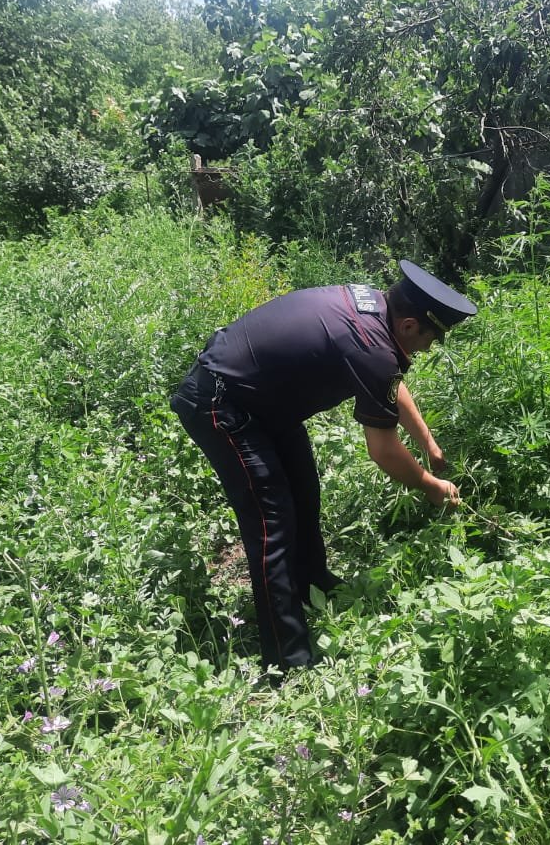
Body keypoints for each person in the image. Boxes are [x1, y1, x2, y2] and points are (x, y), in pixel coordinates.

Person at [171, 260, 477, 672]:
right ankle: (287, 660)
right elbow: (383, 450)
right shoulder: (374, 345)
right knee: (271, 521)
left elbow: (390, 382)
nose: (429, 347)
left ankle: (312, 584)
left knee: (303, 490)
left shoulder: (373, 308)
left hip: (263, 403)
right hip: (221, 403)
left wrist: (428, 442)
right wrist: (431, 486)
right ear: (408, 326)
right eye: (431, 338)